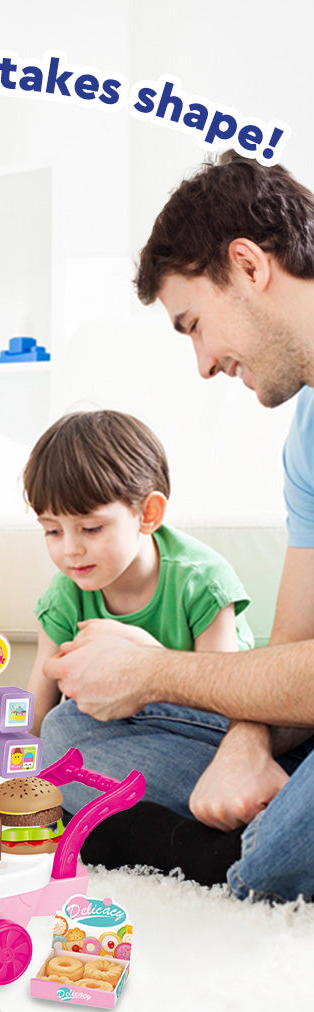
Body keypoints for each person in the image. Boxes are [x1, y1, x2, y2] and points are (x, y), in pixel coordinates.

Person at [45, 151, 314, 902]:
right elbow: (294, 643)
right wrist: (246, 743)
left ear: (249, 265)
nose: (202, 364)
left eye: (195, 324)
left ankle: (236, 855)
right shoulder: (307, 435)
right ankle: (258, 820)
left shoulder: (196, 577)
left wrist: (155, 672)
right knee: (71, 740)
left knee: (279, 855)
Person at [0, 409, 252, 786]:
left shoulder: (202, 581)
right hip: (120, 742)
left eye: (90, 528)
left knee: (67, 733)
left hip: (204, 741)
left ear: (148, 513)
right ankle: (138, 811)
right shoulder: (65, 595)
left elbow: (224, 703)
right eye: (52, 531)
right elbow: (36, 716)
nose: (71, 550)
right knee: (63, 730)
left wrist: (147, 658)